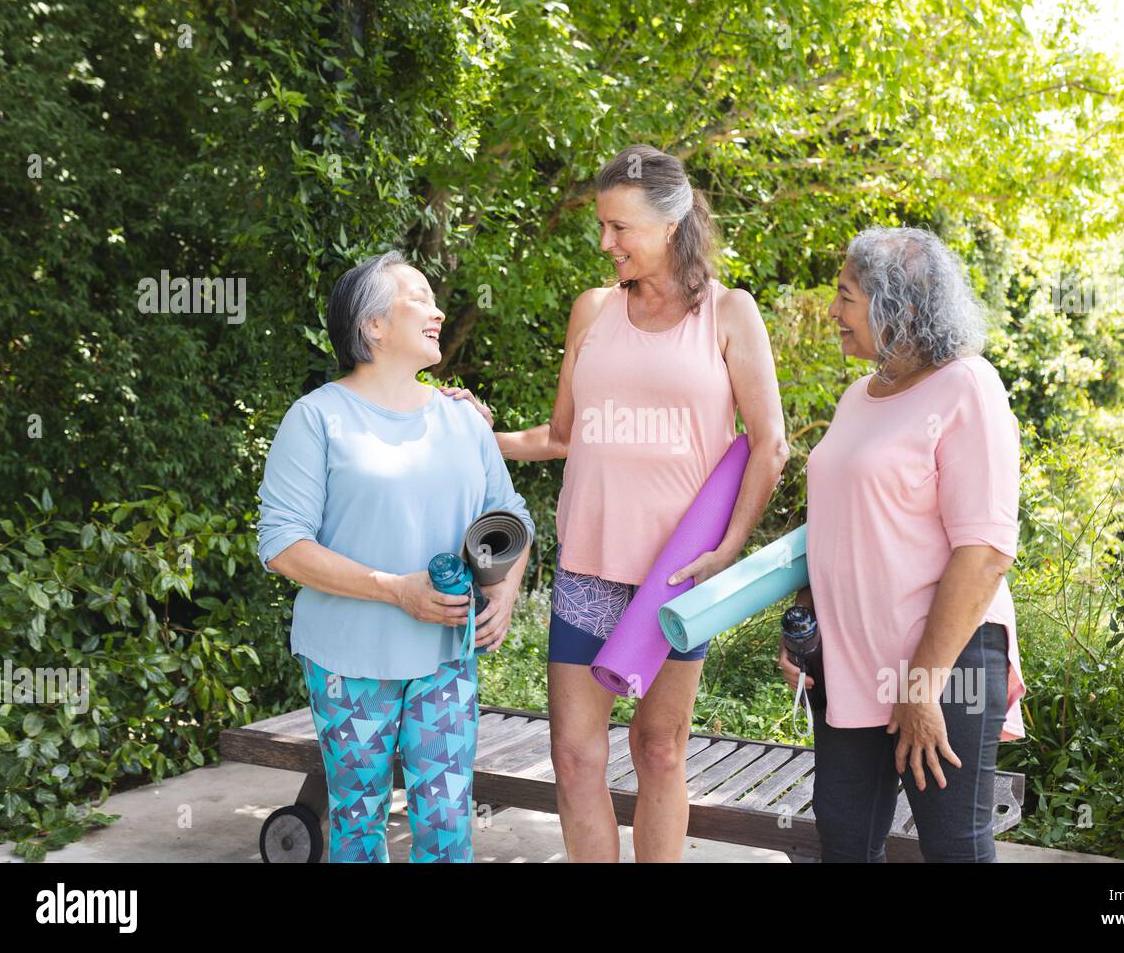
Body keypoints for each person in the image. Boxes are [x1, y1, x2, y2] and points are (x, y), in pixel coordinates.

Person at [446, 144, 788, 861]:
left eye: (619, 227)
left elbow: (770, 445)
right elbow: (563, 434)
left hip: (676, 578)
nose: (605, 242)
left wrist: (728, 548)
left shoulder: (730, 313)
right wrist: (482, 432)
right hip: (589, 568)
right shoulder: (593, 310)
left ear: (671, 223)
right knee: (574, 755)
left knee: (659, 747)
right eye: (602, 226)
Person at [256, 251, 534, 862]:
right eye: (420, 298)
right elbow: (282, 545)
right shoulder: (317, 419)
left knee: (447, 828)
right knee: (358, 827)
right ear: (372, 325)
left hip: (445, 660)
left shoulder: (462, 421)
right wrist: (395, 589)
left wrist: (506, 591)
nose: (438, 311)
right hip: (349, 662)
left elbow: (511, 517)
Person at [780, 226, 1026, 862]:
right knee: (844, 842)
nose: (832, 311)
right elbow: (838, 523)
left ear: (901, 309)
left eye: (845, 296)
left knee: (953, 848)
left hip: (945, 664)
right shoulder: (859, 396)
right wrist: (804, 621)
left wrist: (922, 686)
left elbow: (987, 550)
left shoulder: (969, 386)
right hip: (851, 659)